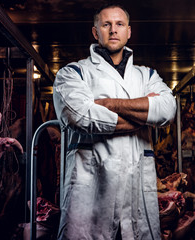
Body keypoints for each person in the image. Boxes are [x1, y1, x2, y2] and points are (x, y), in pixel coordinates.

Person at [53, 4, 176, 240]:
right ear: (95, 31)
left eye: (119, 24)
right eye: (106, 24)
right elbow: (80, 116)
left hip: (137, 192)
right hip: (91, 193)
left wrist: (108, 104)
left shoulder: (147, 75)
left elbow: (167, 111)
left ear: (129, 31)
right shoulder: (72, 73)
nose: (113, 30)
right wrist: (144, 117)